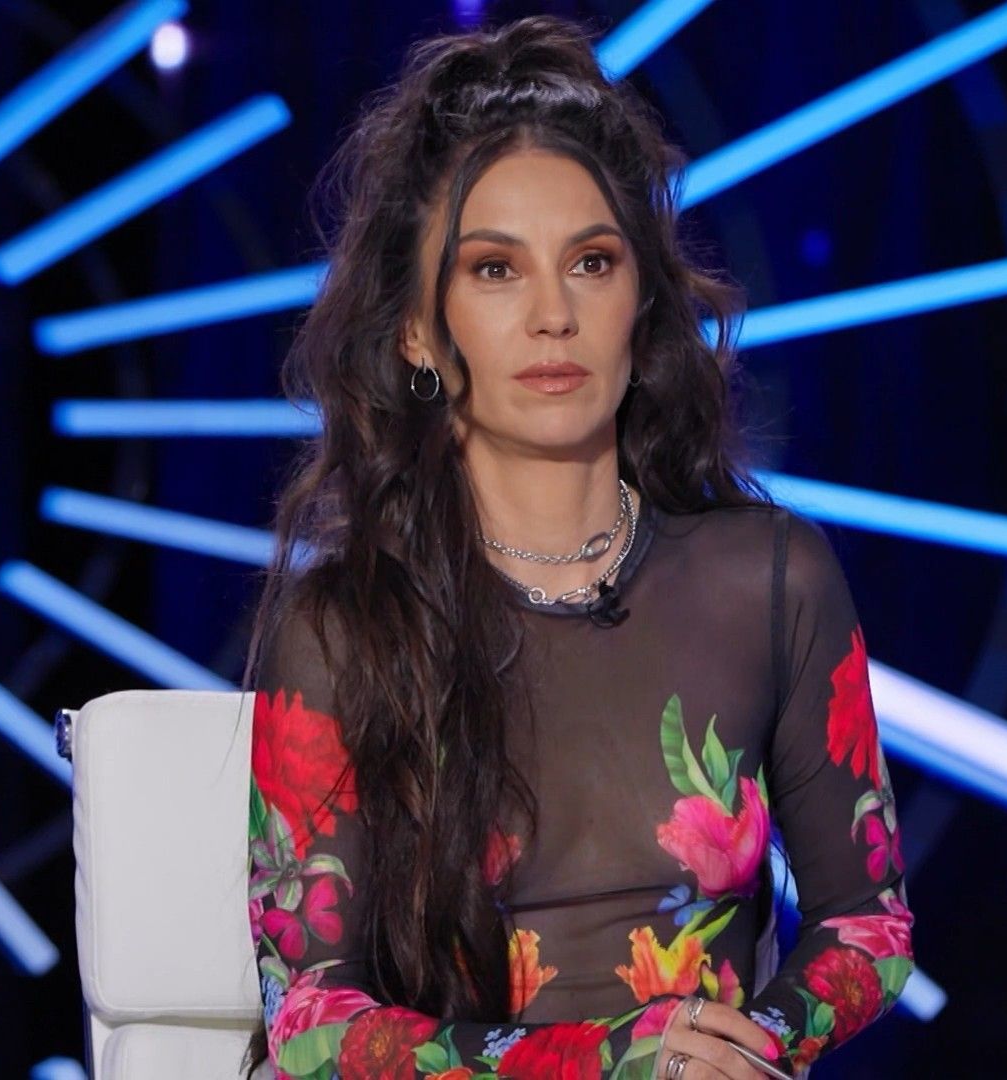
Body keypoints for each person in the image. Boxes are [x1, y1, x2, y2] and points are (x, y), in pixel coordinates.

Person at [241, 15, 914, 1079]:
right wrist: (607, 1063)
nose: (553, 314)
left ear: (640, 307)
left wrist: (749, 1049)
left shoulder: (771, 580)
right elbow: (309, 1015)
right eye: (495, 270)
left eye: (591, 263)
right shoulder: (343, 627)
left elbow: (868, 925)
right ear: (417, 330)